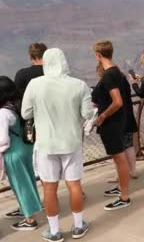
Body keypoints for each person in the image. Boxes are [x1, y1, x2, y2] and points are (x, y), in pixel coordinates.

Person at [21, 48, 94, 241]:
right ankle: (78, 226)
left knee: (49, 188)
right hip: (71, 142)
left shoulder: (35, 85)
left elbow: (25, 113)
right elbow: (88, 114)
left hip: (45, 145)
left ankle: (54, 232)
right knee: (74, 185)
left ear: (45, 63)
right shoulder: (79, 85)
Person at [5, 42, 47, 219]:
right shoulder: (52, 73)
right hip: (50, 122)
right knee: (46, 163)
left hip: (28, 123)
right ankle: (47, 199)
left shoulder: (23, 74)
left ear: (31, 57)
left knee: (30, 165)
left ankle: (28, 205)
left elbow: (14, 96)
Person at [91, 40, 133, 211]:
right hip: (119, 121)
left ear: (99, 55)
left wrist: (103, 115)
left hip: (112, 123)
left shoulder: (109, 76)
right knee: (118, 158)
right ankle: (121, 188)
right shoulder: (117, 72)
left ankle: (124, 197)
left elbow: (117, 101)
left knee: (119, 158)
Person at [0, 77, 43, 231]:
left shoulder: (3, 112)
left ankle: (29, 219)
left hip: (14, 151)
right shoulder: (17, 105)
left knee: (19, 184)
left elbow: (3, 139)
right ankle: (29, 207)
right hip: (25, 147)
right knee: (28, 180)